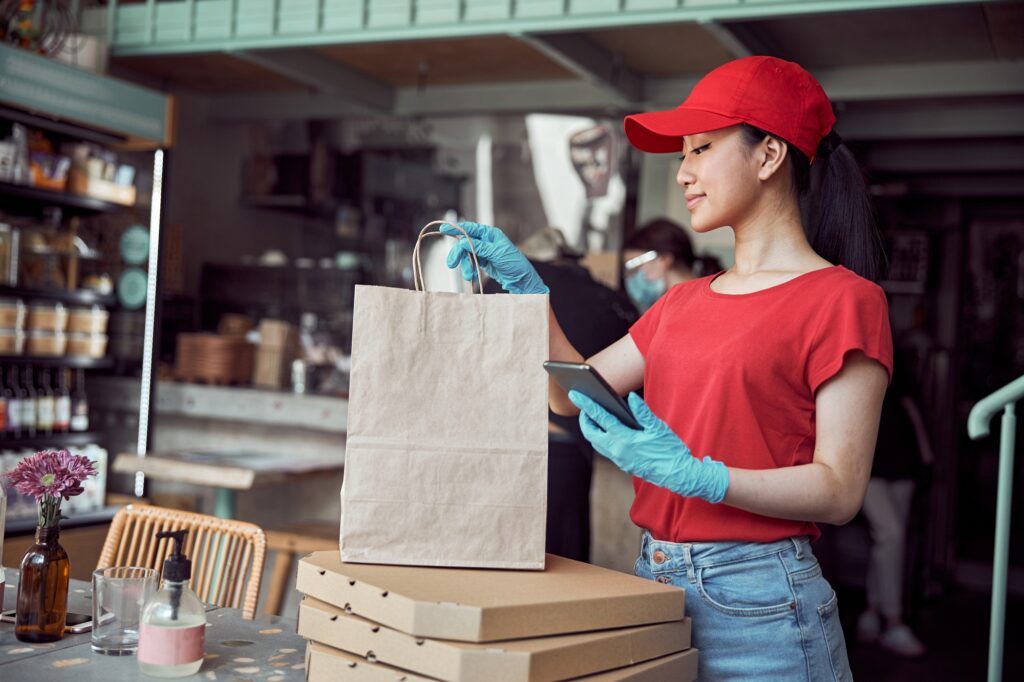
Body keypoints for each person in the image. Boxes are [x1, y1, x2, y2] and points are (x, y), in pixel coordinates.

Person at [443, 55, 891, 680]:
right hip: (654, 581)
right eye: (682, 155)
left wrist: (704, 479)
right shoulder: (683, 301)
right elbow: (575, 397)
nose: (683, 173)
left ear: (768, 156)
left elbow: (840, 491)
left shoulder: (843, 299)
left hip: (762, 599)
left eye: (701, 149)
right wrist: (530, 295)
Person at [485, 226, 637, 561]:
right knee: (563, 573)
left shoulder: (499, 287)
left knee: (498, 561)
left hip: (505, 443)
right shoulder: (610, 300)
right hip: (569, 448)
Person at [856, 349, 933, 657]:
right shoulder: (845, 351)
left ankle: (874, 612)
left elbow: (911, 407)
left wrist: (926, 455)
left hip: (903, 461)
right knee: (892, 535)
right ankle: (893, 620)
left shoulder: (891, 354)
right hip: (865, 464)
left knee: (889, 541)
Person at [622, 219, 698, 312]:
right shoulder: (666, 308)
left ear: (664, 259)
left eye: (635, 267)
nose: (631, 277)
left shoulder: (695, 308)